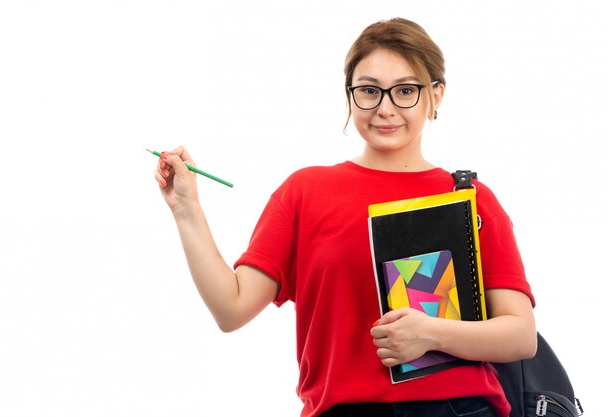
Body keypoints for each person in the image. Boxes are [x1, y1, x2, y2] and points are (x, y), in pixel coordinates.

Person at [152, 17, 537, 417]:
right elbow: (231, 309)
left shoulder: (471, 199)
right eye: (369, 91)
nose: (385, 108)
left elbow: (520, 335)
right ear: (349, 96)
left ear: (435, 96)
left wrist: (431, 333)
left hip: (458, 409)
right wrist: (186, 209)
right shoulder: (306, 191)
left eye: (405, 90)